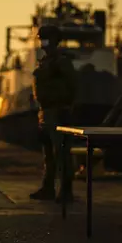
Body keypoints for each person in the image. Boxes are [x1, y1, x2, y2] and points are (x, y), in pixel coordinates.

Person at [29, 25, 77, 203]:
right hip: (46, 112)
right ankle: (48, 188)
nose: (42, 41)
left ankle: (66, 191)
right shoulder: (46, 61)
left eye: (45, 38)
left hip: (58, 111)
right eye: (41, 38)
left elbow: (72, 86)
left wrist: (66, 106)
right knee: (48, 154)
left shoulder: (61, 61)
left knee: (62, 153)